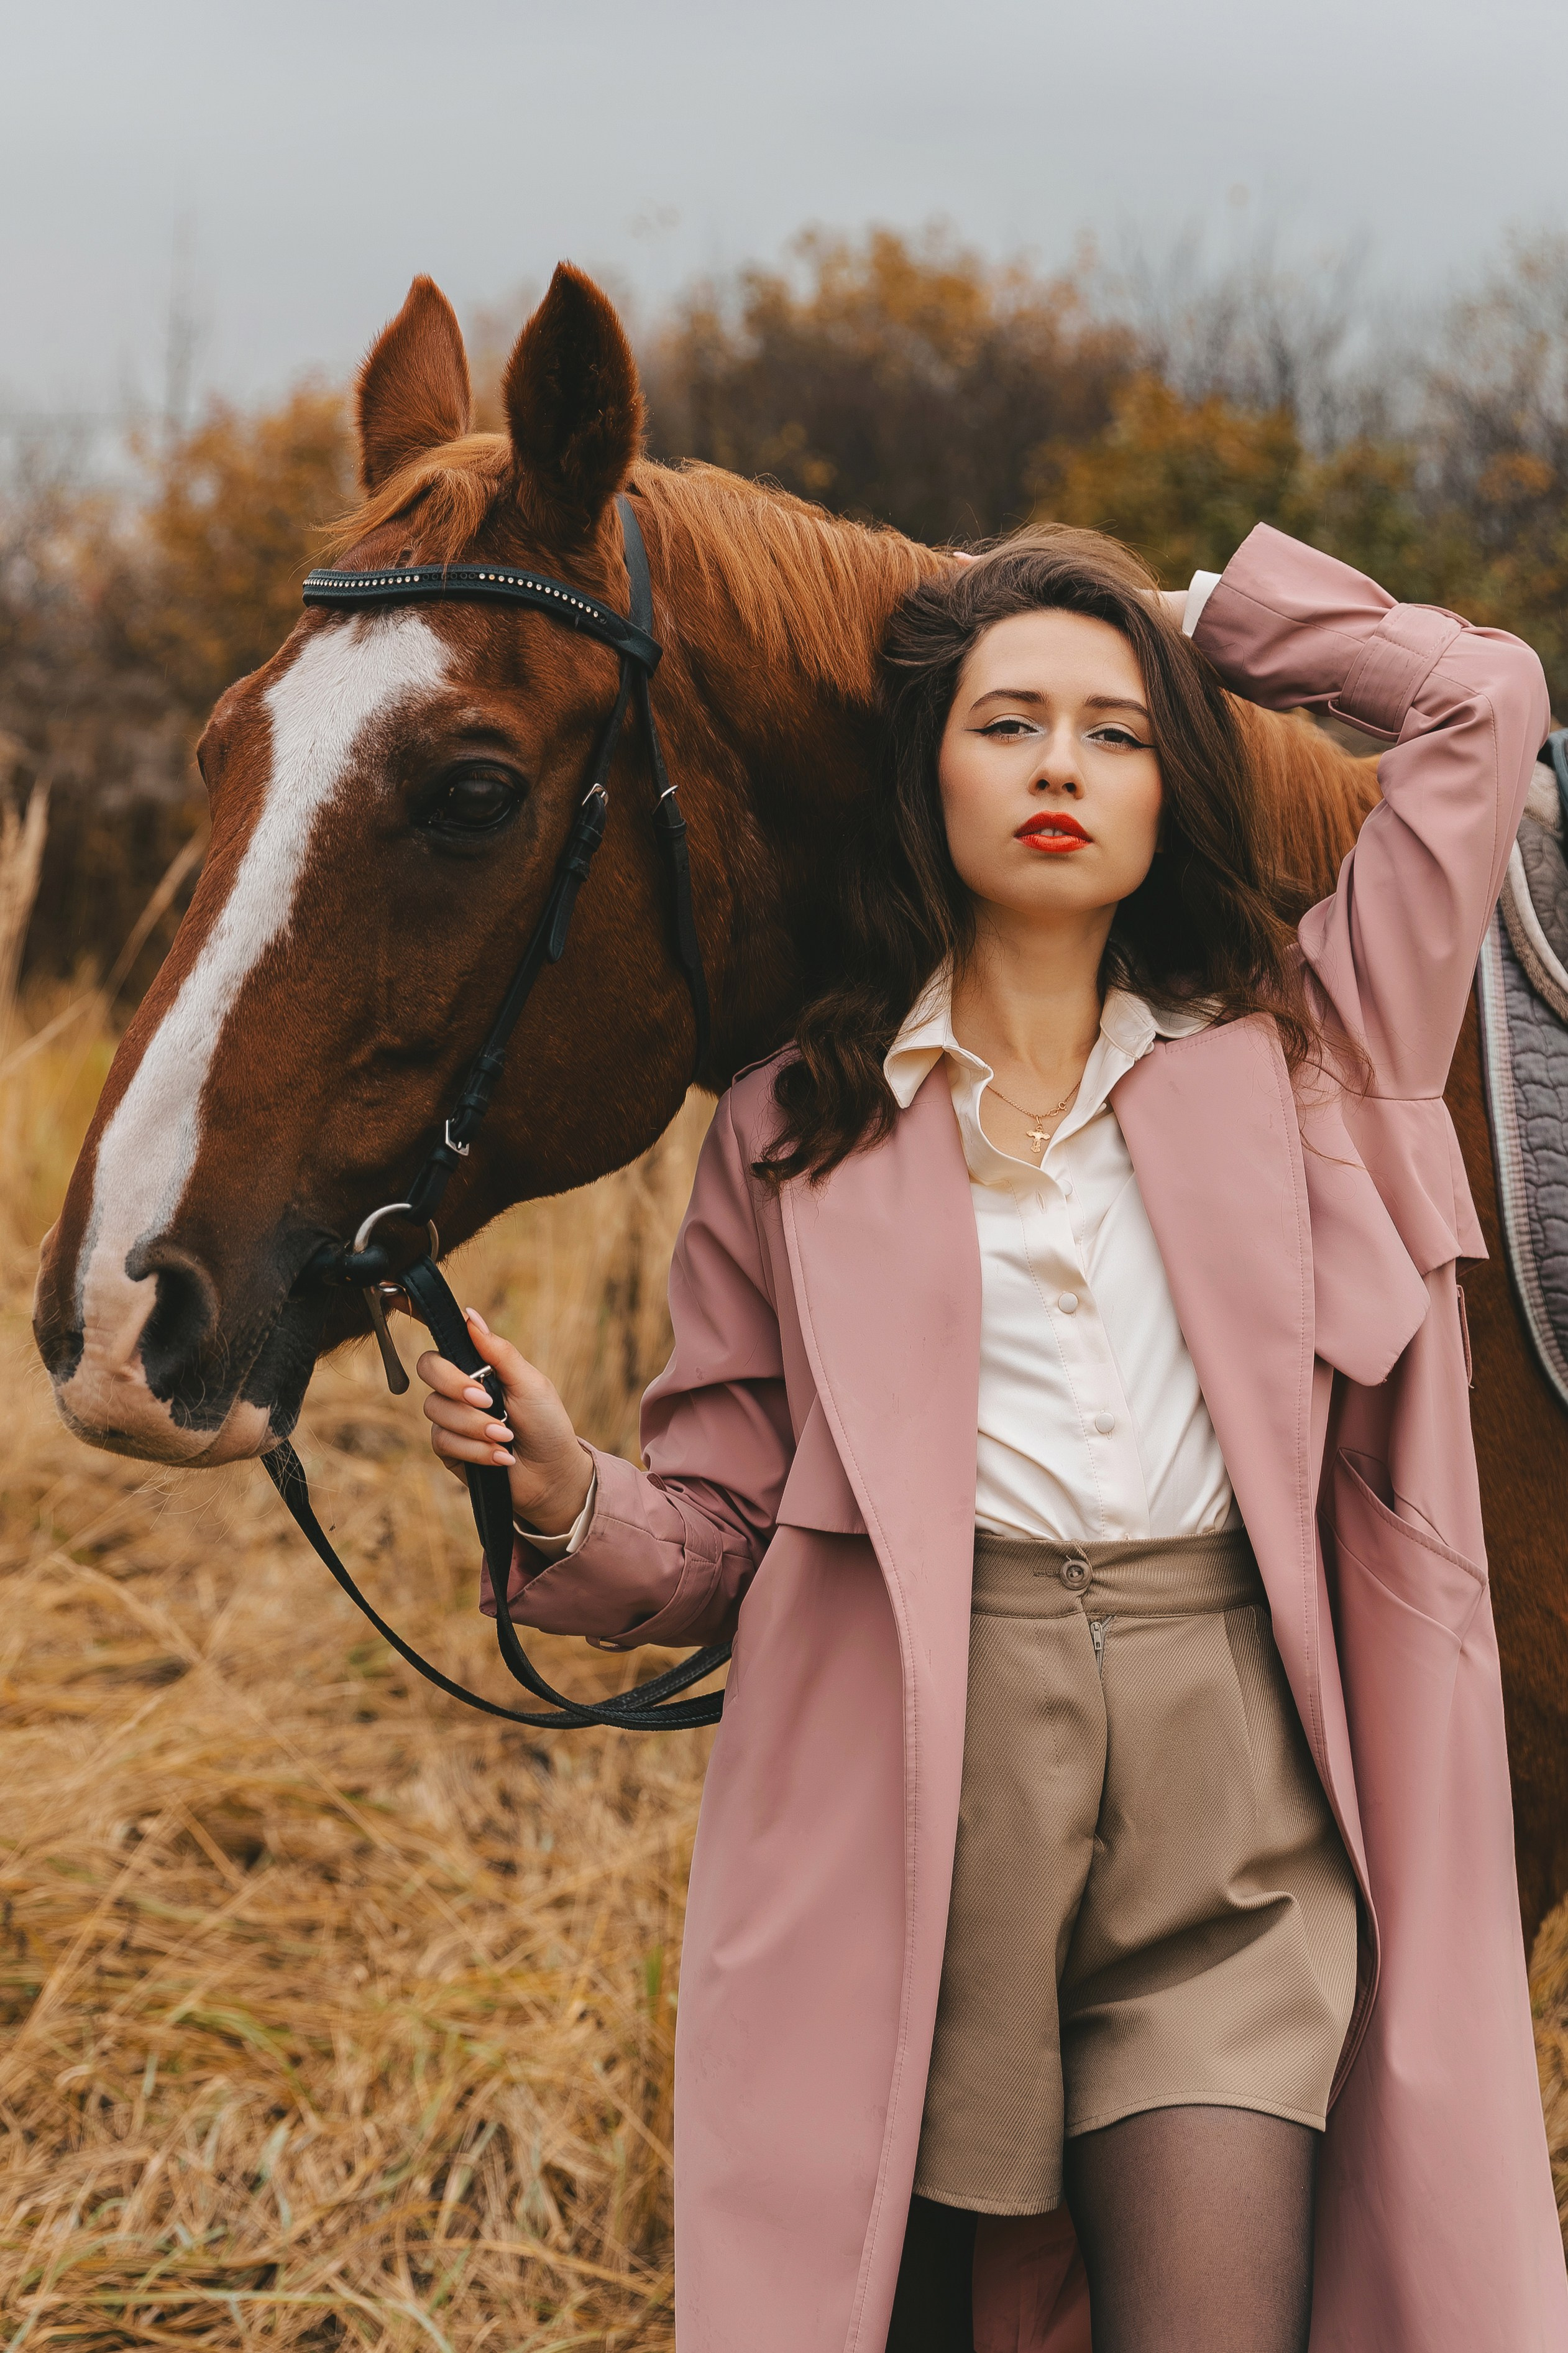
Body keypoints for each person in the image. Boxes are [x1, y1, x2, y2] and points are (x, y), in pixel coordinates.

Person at [416, 525, 1567, 2353]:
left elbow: (1483, 699)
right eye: (1006, 720)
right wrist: (566, 1492)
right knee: (938, 2316)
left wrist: (1187, 617)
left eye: (1115, 733)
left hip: (1237, 1818)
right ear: (926, 772)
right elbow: (726, 1533)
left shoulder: (1310, 1046)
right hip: (936, 1818)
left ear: (1168, 786)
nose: (1058, 766)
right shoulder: (793, 1125)